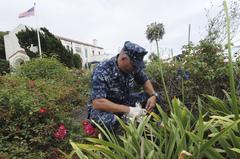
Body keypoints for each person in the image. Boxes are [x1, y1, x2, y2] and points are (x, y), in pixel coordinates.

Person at [87, 41, 159, 131]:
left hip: (124, 101)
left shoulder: (133, 67)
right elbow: (98, 103)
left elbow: (145, 81)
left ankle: (150, 125)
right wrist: (129, 110)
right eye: (134, 66)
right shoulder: (102, 69)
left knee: (154, 98)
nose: (136, 69)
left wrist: (153, 95)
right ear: (123, 58)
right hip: (104, 108)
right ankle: (126, 134)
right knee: (112, 121)